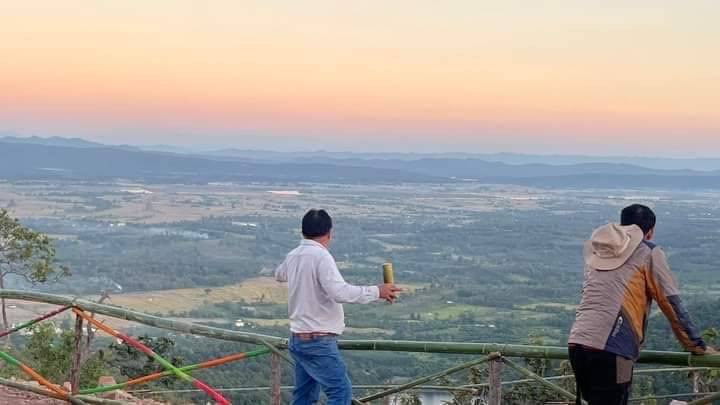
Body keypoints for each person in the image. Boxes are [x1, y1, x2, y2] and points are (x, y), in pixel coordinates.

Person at [568, 204, 715, 404]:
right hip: (613, 347)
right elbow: (670, 301)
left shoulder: (601, 251)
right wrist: (696, 345)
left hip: (578, 342)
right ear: (650, 232)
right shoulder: (648, 252)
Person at [276, 209, 401, 405]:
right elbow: (339, 292)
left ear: (303, 232)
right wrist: (377, 291)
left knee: (304, 396)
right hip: (318, 340)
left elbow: (279, 274)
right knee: (340, 393)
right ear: (329, 233)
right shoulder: (321, 256)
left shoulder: (294, 255)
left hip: (298, 338)